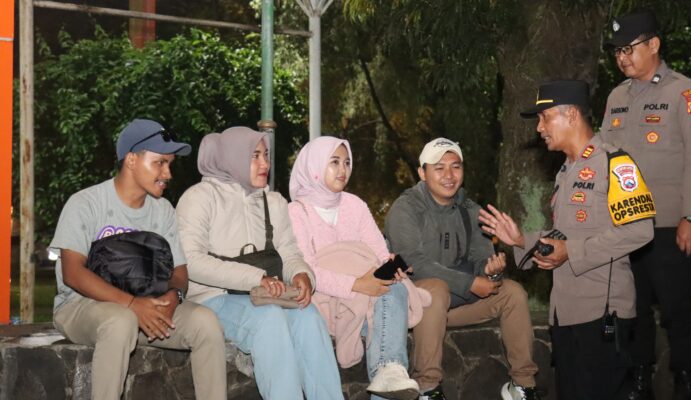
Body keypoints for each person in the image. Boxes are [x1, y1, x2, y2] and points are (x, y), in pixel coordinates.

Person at [479, 80, 655, 399]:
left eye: (545, 117)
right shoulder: (566, 170)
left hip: (602, 316)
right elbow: (566, 236)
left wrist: (571, 251)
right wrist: (521, 240)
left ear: (571, 115)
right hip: (566, 313)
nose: (539, 128)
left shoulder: (614, 163)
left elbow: (640, 230)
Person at [49, 118, 227, 400]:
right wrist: (132, 304)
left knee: (205, 322)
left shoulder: (163, 210)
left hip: (146, 306)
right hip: (81, 306)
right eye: (160, 163)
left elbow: (179, 271)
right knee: (120, 321)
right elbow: (73, 273)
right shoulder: (86, 203)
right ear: (131, 160)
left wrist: (173, 296)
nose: (167, 174)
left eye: (170, 164)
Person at [176, 126, 344, 400]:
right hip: (213, 298)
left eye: (266, 155)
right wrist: (255, 278)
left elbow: (289, 252)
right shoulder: (199, 198)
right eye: (255, 156)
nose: (265, 163)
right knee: (269, 320)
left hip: (266, 295)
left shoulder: (273, 201)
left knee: (309, 317)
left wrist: (301, 274)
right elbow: (191, 261)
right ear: (233, 157)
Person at [599, 10, 691, 399]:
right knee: (633, 309)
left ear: (654, 45)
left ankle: (687, 382)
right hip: (625, 225)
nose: (622, 58)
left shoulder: (685, 93)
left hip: (669, 225)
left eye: (628, 49)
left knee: (678, 309)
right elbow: (603, 156)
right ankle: (640, 379)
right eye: (617, 52)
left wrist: (690, 216)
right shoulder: (616, 97)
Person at [384, 137, 540, 400]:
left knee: (512, 293)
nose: (449, 175)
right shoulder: (406, 208)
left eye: (455, 167)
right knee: (435, 289)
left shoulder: (470, 210)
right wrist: (470, 283)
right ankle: (427, 387)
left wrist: (491, 271)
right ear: (422, 173)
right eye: (439, 168)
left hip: (453, 306)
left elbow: (482, 260)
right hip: (417, 306)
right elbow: (414, 263)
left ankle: (523, 385)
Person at [287, 136, 429, 400]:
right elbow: (306, 270)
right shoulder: (296, 212)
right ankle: (389, 371)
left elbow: (378, 253)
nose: (343, 169)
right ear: (314, 165)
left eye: (347, 162)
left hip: (368, 298)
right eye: (334, 162)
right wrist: (357, 284)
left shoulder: (355, 205)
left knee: (395, 287)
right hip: (326, 302)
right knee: (389, 309)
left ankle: (389, 371)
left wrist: (391, 266)